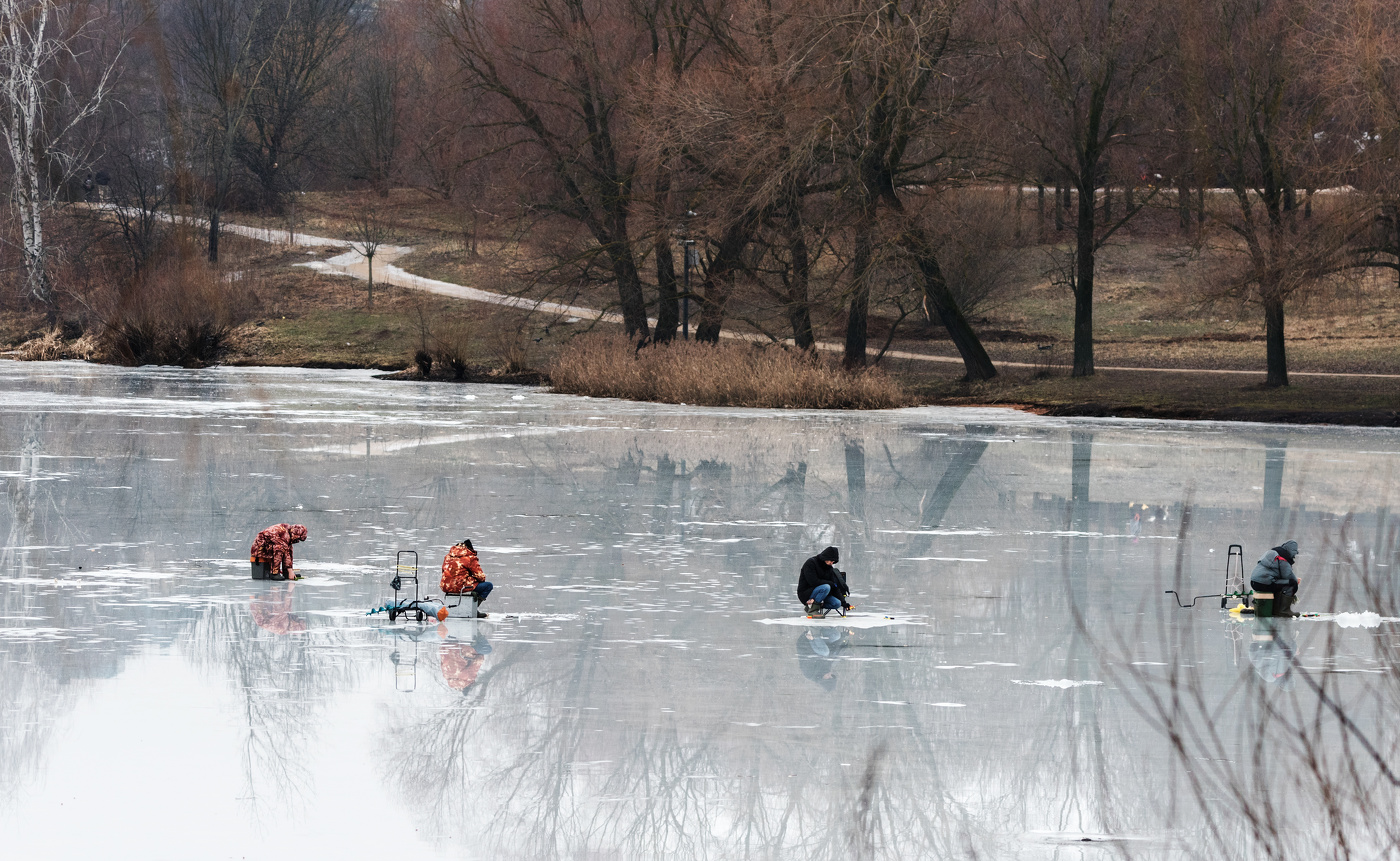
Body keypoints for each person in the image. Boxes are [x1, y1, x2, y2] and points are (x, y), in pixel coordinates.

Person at [441, 539, 493, 617]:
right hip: (461, 587)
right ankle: (472, 609)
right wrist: (473, 579)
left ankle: (469, 608)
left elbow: (444, 571)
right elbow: (480, 577)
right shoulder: (469, 558)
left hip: (446, 586)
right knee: (488, 586)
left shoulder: (448, 557)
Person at [1250, 540, 1300, 617]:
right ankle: (1283, 610)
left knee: (1280, 584)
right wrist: (1295, 581)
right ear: (1292, 551)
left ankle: (1273, 609)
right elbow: (1288, 575)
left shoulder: (1272, 553)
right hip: (1265, 583)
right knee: (1292, 584)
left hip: (1255, 582)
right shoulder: (1283, 557)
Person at [797, 545, 850, 618]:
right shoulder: (811, 563)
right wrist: (829, 583)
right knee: (826, 587)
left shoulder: (829, 568)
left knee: (837, 603)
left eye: (833, 562)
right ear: (826, 558)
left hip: (822, 593)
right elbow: (813, 582)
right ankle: (812, 610)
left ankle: (812, 606)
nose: (832, 563)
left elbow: (834, 587)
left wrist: (844, 603)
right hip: (806, 593)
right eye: (831, 561)